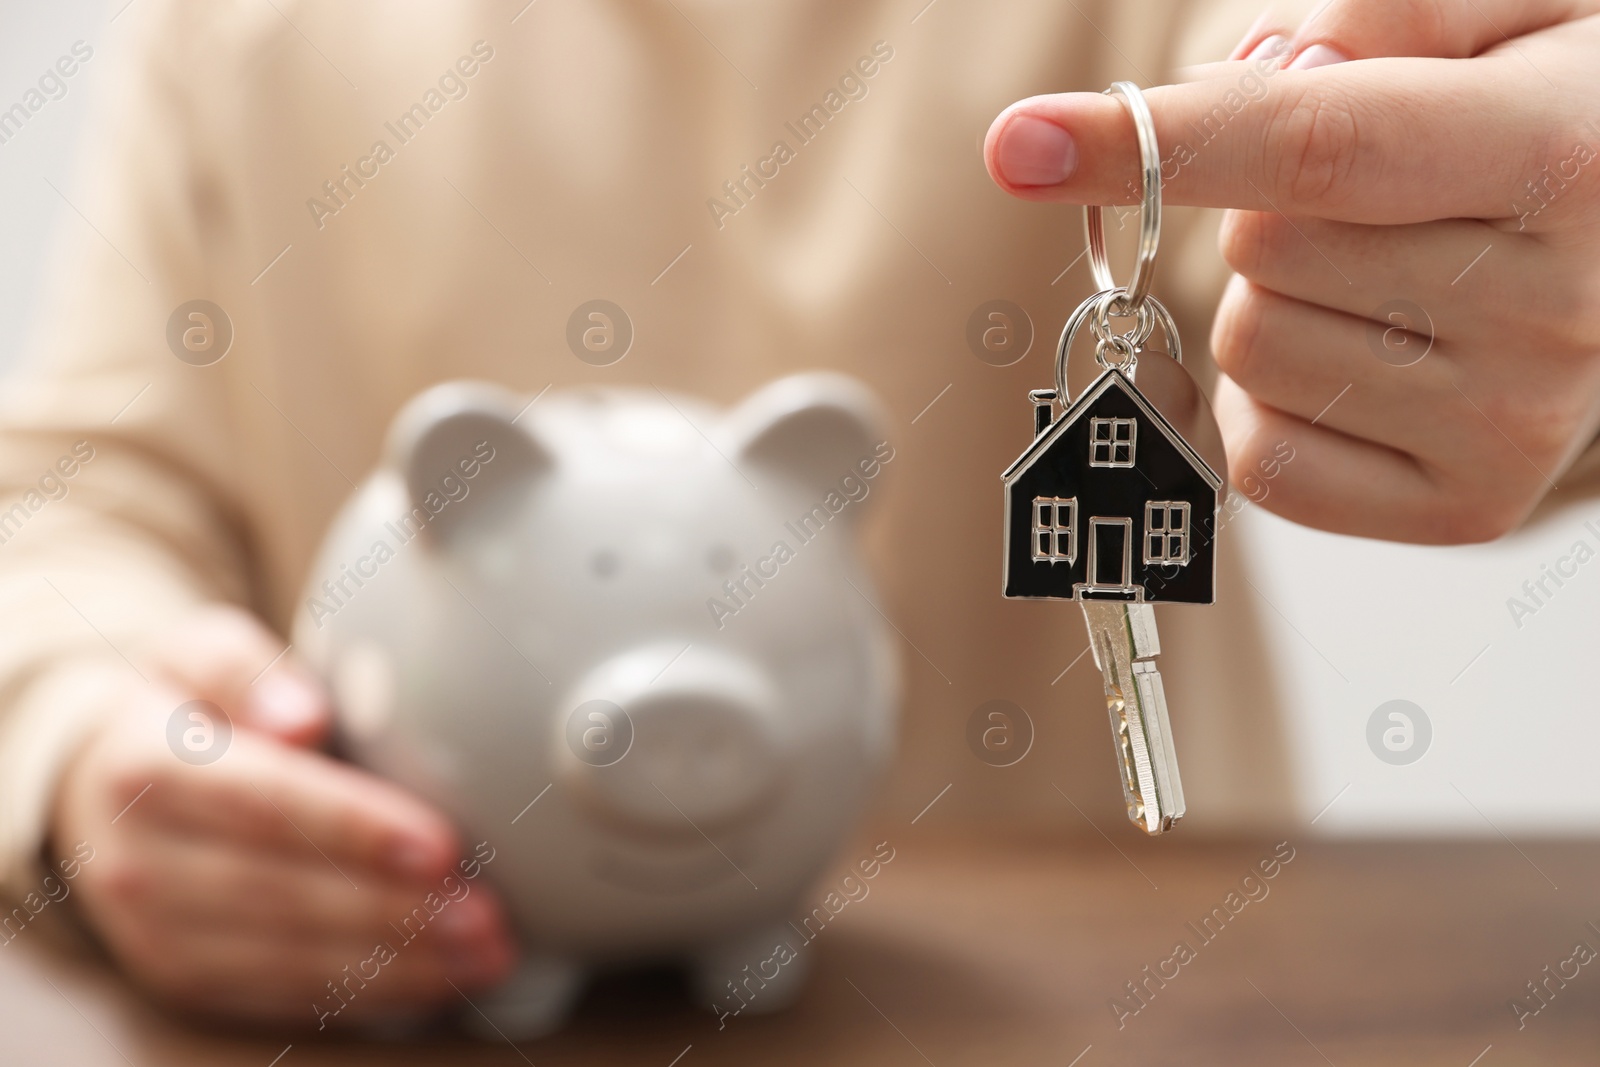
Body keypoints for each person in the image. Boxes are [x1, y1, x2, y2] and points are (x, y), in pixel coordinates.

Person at [1, 0, 1596, 1028]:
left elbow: (1325, 101)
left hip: (1076, 1019)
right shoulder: (233, 36)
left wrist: (1494, 227)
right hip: (412, 976)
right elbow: (70, 504)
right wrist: (85, 734)